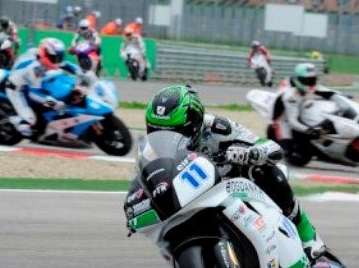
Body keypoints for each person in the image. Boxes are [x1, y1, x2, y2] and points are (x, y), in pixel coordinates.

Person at [132, 84, 325, 258]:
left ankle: (307, 235)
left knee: (267, 170)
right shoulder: (149, 151)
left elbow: (272, 148)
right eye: (156, 131)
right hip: (191, 195)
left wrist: (252, 153)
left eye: (174, 132)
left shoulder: (217, 127)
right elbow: (141, 183)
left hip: (233, 183)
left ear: (195, 122)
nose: (165, 139)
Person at [4, 37, 92, 137]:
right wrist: (55, 104)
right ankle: (12, 120)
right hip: (17, 89)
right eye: (56, 58)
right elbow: (34, 93)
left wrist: (80, 73)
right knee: (29, 121)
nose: (58, 60)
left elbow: (65, 64)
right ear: (46, 54)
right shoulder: (36, 68)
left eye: (60, 57)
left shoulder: (40, 54)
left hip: (29, 80)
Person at [270, 63, 341, 143]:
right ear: (299, 80)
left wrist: (340, 96)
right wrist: (310, 131)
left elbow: (325, 91)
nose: (310, 83)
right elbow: (292, 121)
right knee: (286, 148)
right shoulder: (290, 95)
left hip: (297, 109)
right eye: (307, 81)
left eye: (312, 80)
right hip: (283, 119)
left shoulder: (301, 83)